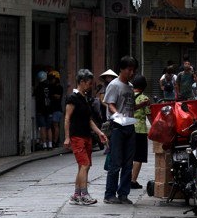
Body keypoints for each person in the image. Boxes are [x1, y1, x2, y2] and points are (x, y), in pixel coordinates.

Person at [63, 69, 109, 205]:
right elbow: (67, 118)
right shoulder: (72, 98)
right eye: (89, 83)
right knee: (84, 164)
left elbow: (89, 120)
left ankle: (76, 195)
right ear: (81, 82)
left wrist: (100, 132)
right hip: (76, 136)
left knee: (84, 166)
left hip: (87, 136)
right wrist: (67, 137)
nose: (90, 86)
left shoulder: (85, 98)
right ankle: (84, 194)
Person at [103, 56, 138, 204]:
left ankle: (123, 193)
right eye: (129, 70)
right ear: (122, 69)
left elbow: (130, 106)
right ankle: (109, 194)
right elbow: (110, 104)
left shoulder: (130, 87)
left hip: (129, 125)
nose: (131, 73)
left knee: (128, 163)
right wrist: (117, 114)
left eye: (133, 70)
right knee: (116, 162)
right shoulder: (114, 85)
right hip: (117, 126)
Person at [130, 74, 151, 190]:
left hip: (128, 129)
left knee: (129, 156)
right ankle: (133, 180)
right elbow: (149, 114)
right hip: (140, 130)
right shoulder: (144, 98)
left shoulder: (128, 96)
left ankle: (126, 178)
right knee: (138, 157)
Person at [33, 70, 53, 149]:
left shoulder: (38, 87)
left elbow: (34, 96)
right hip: (49, 109)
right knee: (49, 127)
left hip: (40, 110)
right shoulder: (50, 86)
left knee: (43, 127)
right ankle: (50, 144)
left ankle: (44, 144)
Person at [48, 70, 64, 147]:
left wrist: (52, 95)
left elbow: (58, 96)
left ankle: (55, 141)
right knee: (52, 125)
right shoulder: (50, 87)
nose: (51, 80)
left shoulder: (59, 87)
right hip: (52, 109)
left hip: (57, 109)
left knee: (55, 125)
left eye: (52, 79)